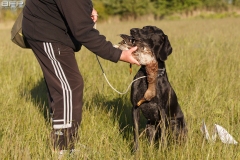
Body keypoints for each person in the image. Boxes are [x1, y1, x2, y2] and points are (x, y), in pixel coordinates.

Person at [22, 0, 139, 154]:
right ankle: (63, 147)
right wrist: (119, 54)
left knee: (65, 86)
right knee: (69, 87)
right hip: (47, 33)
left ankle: (65, 143)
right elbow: (83, 31)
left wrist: (88, 9)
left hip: (49, 30)